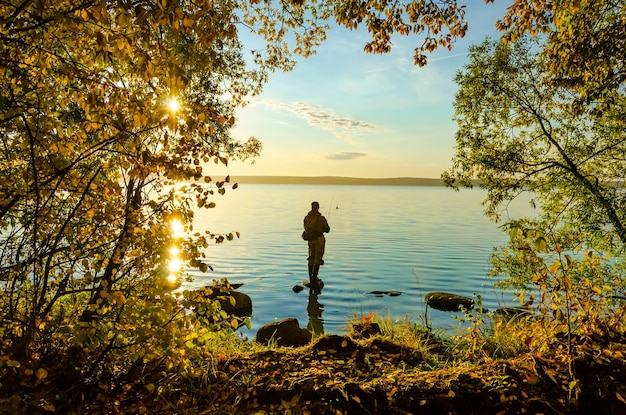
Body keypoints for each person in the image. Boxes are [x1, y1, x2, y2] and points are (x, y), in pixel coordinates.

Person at [303, 201, 330, 284]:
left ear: (311, 207)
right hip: (319, 240)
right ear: (318, 208)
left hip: (310, 241)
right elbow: (327, 229)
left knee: (311, 258)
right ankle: (315, 278)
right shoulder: (321, 218)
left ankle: (310, 279)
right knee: (317, 259)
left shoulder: (306, 218)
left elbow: (305, 228)